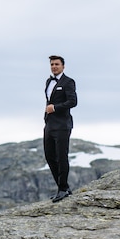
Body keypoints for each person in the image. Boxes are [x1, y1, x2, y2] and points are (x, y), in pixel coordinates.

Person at [43, 55, 77, 203]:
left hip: (62, 125)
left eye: (57, 64)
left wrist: (55, 108)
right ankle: (63, 186)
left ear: (63, 66)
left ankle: (62, 189)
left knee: (62, 156)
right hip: (49, 125)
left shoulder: (68, 82)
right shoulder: (49, 81)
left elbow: (73, 101)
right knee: (50, 156)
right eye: (52, 64)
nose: (54, 66)